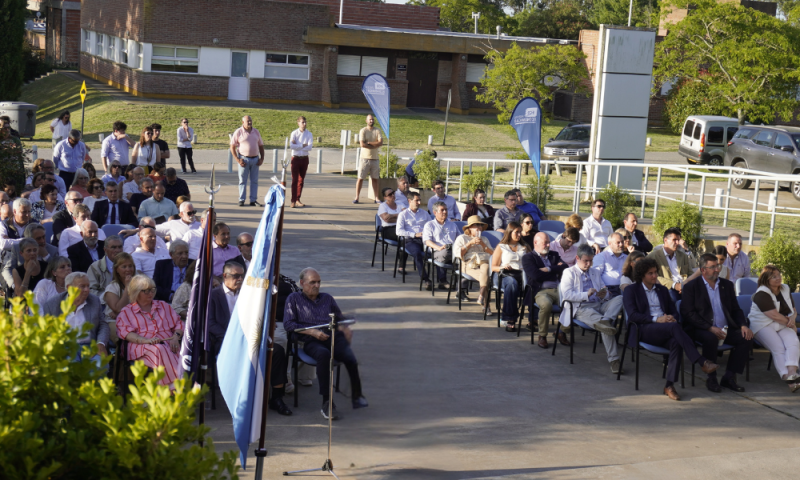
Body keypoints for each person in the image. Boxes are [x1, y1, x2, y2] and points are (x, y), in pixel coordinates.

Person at [622, 257, 719, 401]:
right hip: (643, 329)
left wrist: (671, 317)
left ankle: (669, 385)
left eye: (655, 272)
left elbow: (673, 310)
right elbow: (633, 315)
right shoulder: (631, 290)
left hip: (666, 328)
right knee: (675, 328)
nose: (655, 276)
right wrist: (657, 319)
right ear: (642, 275)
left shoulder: (661, 289)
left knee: (676, 342)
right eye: (650, 273)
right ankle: (701, 361)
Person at [284, 268, 368, 420]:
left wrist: (345, 327)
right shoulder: (294, 298)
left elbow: (340, 318)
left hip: (331, 336)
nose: (316, 285)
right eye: (312, 282)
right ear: (302, 283)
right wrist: (312, 332)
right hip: (309, 340)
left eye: (318, 282)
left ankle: (357, 395)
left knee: (349, 357)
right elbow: (289, 324)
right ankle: (327, 402)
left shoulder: (327, 298)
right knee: (324, 355)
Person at [681, 253, 753, 393]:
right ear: (703, 270)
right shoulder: (692, 287)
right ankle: (711, 378)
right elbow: (688, 313)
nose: (717, 270)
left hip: (725, 328)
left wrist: (743, 325)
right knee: (711, 338)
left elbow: (735, 309)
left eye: (718, 266)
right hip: (701, 328)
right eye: (712, 267)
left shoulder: (726, 285)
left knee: (746, 337)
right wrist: (709, 328)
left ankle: (729, 377)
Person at [560, 244, 623, 374]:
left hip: (599, 305)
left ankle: (606, 320)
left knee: (621, 298)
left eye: (591, 261)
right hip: (581, 307)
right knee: (605, 327)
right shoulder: (569, 272)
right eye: (586, 261)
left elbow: (604, 289)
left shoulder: (595, 272)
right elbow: (566, 295)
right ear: (577, 258)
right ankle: (614, 360)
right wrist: (586, 295)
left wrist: (604, 294)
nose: (588, 264)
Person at [116, 274, 185, 388]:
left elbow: (179, 323)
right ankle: (179, 386)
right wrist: (146, 341)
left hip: (168, 344)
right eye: (146, 291)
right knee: (159, 349)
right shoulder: (127, 311)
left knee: (169, 349)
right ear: (136, 292)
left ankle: (167, 389)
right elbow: (126, 333)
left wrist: (175, 337)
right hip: (139, 347)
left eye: (153, 289)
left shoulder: (163, 306)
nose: (151, 293)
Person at [748, 265, 800, 392]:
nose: (778, 278)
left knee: (793, 341)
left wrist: (793, 319)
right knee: (778, 347)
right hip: (762, 324)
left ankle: (792, 372)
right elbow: (773, 315)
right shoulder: (761, 294)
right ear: (766, 279)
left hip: (782, 322)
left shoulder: (785, 288)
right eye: (774, 277)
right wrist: (791, 324)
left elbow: (793, 309)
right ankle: (788, 378)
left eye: (779, 275)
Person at [42, 272, 109, 361]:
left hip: (90, 346)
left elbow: (102, 325)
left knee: (99, 365)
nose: (87, 290)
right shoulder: (52, 305)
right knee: (69, 367)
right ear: (69, 288)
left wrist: (100, 343)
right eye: (82, 286)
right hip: (66, 348)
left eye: (88, 286)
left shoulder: (94, 300)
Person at [522, 231, 569, 345]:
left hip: (559, 290)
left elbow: (565, 267)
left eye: (549, 242)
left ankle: (561, 332)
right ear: (535, 243)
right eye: (545, 243)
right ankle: (542, 335)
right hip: (541, 291)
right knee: (546, 305)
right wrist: (555, 271)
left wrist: (549, 269)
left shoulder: (554, 255)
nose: (548, 245)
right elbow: (536, 275)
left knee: (571, 303)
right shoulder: (528, 258)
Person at [491, 222, 529, 331]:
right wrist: (502, 267)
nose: (519, 235)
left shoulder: (525, 247)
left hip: (520, 275)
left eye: (520, 232)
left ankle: (533, 320)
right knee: (512, 283)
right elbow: (493, 267)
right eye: (516, 232)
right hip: (503, 275)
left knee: (533, 284)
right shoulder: (501, 246)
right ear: (510, 232)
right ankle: (510, 318)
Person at [647, 227, 701, 301]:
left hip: (684, 286)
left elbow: (690, 273)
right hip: (667, 287)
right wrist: (674, 285)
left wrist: (687, 285)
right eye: (674, 240)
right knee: (673, 298)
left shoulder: (683, 256)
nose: (677, 243)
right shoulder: (653, 257)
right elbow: (654, 277)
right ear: (665, 240)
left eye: (678, 240)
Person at [452, 216, 494, 310]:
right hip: (468, 264)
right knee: (486, 276)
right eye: (476, 225)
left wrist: (483, 245)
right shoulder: (462, 238)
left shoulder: (484, 239)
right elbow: (458, 254)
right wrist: (470, 243)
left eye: (480, 225)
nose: (479, 228)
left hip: (483, 262)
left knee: (485, 267)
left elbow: (494, 254)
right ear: (469, 228)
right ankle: (485, 304)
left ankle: (482, 298)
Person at [1, 223, 57, 291]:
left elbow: (57, 270)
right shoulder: (18, 248)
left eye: (43, 237)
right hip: (23, 286)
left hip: (45, 289)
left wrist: (46, 256)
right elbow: (7, 269)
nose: (42, 241)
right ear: (29, 239)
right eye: (38, 238)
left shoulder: (52, 250)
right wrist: (15, 285)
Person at [396, 192, 432, 290]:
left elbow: (431, 226)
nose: (419, 203)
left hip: (425, 239)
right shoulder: (403, 214)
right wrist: (414, 234)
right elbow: (398, 231)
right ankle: (426, 279)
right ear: (409, 201)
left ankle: (442, 280)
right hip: (410, 240)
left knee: (438, 252)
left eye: (420, 200)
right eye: (417, 200)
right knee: (417, 253)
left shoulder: (424, 213)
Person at [423, 202, 461, 290]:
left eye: (446, 210)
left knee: (463, 255)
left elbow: (459, 238)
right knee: (444, 253)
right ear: (435, 212)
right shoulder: (430, 225)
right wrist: (439, 247)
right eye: (442, 210)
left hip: (452, 249)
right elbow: (427, 241)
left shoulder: (452, 224)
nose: (445, 212)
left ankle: (462, 285)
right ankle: (442, 281)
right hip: (436, 250)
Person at [230, 115, 264, 207]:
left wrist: (262, 158)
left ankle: (253, 200)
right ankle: (241, 199)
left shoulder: (256, 132)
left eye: (250, 120)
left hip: (255, 160)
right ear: (243, 122)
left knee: (254, 181)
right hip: (244, 160)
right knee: (242, 181)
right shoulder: (238, 132)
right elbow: (232, 146)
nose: (249, 122)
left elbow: (261, 145)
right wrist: (237, 159)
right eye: (247, 121)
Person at [103, 253, 136, 342]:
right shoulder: (112, 287)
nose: (128, 269)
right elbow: (118, 309)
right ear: (117, 269)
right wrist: (127, 287)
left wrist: (122, 313)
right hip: (114, 322)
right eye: (124, 267)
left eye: (130, 266)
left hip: (136, 319)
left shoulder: (139, 285)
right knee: (127, 338)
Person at [353, 114, 382, 204]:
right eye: (370, 119)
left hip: (375, 159)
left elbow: (380, 142)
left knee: (375, 179)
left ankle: (376, 198)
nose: (371, 121)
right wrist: (374, 145)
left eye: (372, 119)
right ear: (366, 121)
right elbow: (362, 144)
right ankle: (357, 197)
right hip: (364, 159)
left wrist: (369, 143)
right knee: (360, 178)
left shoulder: (377, 130)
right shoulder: (363, 131)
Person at [592, 232, 627, 298]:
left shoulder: (626, 258)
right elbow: (595, 275)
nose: (621, 244)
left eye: (622, 242)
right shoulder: (601, 257)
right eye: (618, 242)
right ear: (610, 243)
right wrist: (603, 288)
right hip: (609, 289)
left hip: (625, 287)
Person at [289, 116, 312, 208]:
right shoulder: (294, 133)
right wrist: (303, 145)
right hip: (295, 158)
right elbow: (291, 146)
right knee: (294, 180)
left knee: (301, 180)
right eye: (302, 122)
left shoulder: (309, 134)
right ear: (298, 123)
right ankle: (293, 200)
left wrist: (298, 145)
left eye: (305, 122)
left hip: (304, 159)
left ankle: (298, 199)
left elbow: (309, 147)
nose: (304, 124)